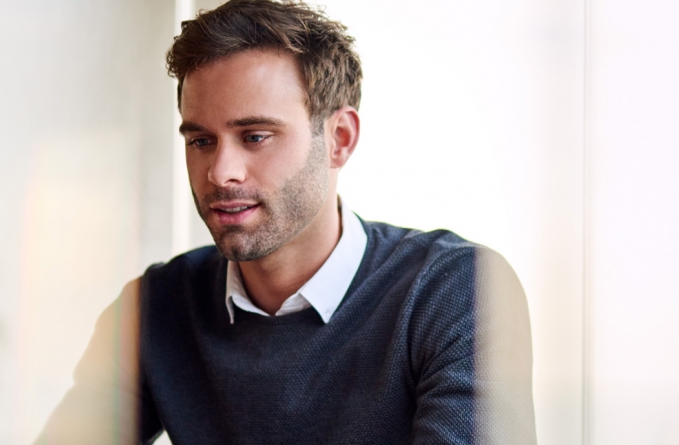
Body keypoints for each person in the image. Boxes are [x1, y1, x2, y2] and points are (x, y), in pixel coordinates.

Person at [35, 1, 535, 444]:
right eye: (200, 140)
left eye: (254, 136)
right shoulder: (156, 308)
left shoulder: (454, 291)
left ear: (338, 139)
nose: (220, 172)